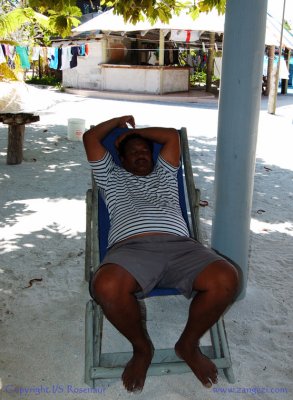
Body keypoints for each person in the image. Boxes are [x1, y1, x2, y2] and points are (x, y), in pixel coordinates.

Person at [83, 115, 239, 393]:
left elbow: (170, 136)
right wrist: (119, 123)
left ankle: (187, 345)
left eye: (144, 150)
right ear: (120, 159)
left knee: (227, 277)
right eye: (132, 153)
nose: (141, 155)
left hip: (182, 248)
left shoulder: (165, 174)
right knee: (105, 286)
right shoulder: (111, 176)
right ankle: (142, 349)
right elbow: (90, 138)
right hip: (131, 251)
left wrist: (138, 131)